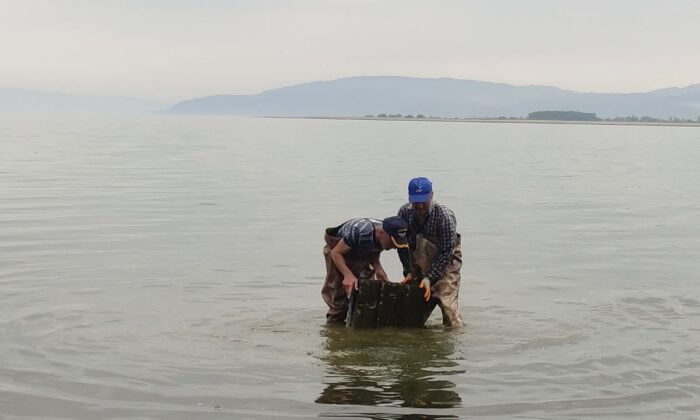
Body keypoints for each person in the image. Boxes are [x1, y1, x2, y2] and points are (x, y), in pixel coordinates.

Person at [397, 177, 465, 327]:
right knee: (413, 308)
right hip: (417, 261)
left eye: (424, 201)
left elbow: (447, 251)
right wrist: (408, 270)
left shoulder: (444, 217)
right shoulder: (404, 213)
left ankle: (454, 338)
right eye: (416, 201)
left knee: (448, 307)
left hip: (446, 264)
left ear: (432, 195)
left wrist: (430, 278)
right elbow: (401, 244)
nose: (420, 205)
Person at [321, 216, 408, 324]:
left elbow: (375, 247)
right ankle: (334, 329)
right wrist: (347, 274)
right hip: (338, 250)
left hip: (360, 250)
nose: (395, 247)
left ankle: (357, 327)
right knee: (340, 296)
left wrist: (377, 267)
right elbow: (336, 253)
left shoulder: (385, 232)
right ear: (381, 233)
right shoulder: (360, 232)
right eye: (392, 242)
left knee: (364, 290)